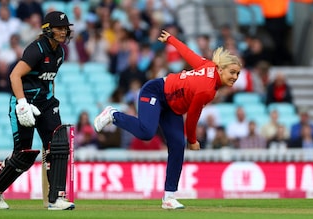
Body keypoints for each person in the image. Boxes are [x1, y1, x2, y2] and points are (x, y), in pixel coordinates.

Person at [93, 29, 242, 209]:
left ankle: (169, 198)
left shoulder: (208, 66)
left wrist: (171, 39)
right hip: (156, 91)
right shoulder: (207, 89)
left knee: (178, 146)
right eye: (232, 72)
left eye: (237, 74)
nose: (234, 77)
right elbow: (193, 117)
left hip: (172, 107)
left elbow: (189, 54)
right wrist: (193, 141)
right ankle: (113, 115)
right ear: (220, 68)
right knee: (147, 132)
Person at [0, 11, 75, 210]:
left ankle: (56, 198)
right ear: (48, 29)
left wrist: (50, 102)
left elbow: (49, 80)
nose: (63, 31)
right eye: (59, 28)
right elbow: (15, 76)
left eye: (65, 28)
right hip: (24, 102)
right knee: (23, 155)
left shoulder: (60, 53)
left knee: (58, 144)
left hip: (46, 102)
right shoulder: (37, 49)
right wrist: (22, 104)